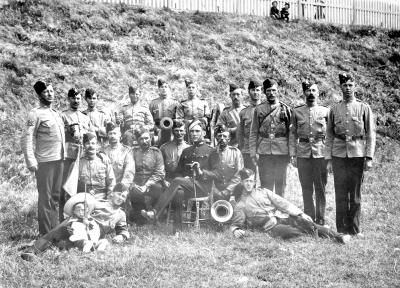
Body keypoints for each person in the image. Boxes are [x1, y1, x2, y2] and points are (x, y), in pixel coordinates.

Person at [230, 168, 351, 244]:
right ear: (242, 182)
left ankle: (339, 237)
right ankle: (312, 236)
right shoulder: (241, 204)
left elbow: (282, 203)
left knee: (309, 223)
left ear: (255, 181)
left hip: (283, 217)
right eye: (246, 181)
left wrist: (300, 213)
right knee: (292, 232)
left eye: (251, 181)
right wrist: (235, 230)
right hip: (271, 227)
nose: (249, 184)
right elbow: (236, 224)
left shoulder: (264, 191)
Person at [20, 184, 130, 261]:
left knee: (64, 244)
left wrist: (121, 237)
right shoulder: (97, 203)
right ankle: (32, 251)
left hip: (92, 233)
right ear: (112, 194)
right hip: (80, 222)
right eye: (119, 194)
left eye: (123, 196)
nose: (120, 198)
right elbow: (81, 209)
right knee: (60, 229)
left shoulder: (120, 214)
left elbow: (123, 231)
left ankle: (40, 248)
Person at [141, 119, 217, 228]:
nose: (194, 134)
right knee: (178, 192)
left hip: (202, 187)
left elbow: (217, 174)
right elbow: (178, 172)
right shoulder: (187, 151)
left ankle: (155, 212)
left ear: (203, 133)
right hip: (188, 186)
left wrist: (201, 171)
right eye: (192, 131)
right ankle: (178, 229)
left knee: (177, 182)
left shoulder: (211, 151)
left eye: (197, 131)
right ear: (189, 133)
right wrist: (183, 178)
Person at [325, 73, 376, 236]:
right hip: (338, 155)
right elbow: (329, 134)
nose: (347, 88)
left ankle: (354, 229)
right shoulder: (334, 108)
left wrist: (369, 157)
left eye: (350, 85)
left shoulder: (363, 107)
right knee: (340, 193)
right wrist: (328, 159)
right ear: (340, 87)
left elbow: (370, 134)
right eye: (344, 85)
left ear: (355, 87)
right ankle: (341, 229)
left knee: (355, 194)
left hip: (357, 155)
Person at [21, 81, 66, 235]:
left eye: (52, 91)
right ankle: (46, 235)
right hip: (45, 162)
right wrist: (30, 160)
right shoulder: (35, 113)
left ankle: (56, 232)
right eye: (46, 91)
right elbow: (26, 138)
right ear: (39, 95)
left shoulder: (55, 113)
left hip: (59, 160)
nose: (50, 94)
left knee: (55, 197)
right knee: (45, 199)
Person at [289, 81, 329, 226]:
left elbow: (330, 135)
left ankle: (321, 219)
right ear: (304, 93)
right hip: (303, 154)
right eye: (308, 90)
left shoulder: (325, 111)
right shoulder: (297, 112)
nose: (311, 93)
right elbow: (293, 134)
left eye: (314, 90)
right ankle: (309, 219)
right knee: (306, 188)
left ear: (318, 93)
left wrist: (329, 156)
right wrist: (293, 154)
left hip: (320, 154)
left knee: (320, 188)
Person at [249, 78, 292, 197]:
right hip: (264, 152)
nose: (271, 93)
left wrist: (291, 153)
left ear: (278, 91)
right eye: (268, 90)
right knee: (265, 186)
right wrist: (253, 153)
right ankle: (267, 212)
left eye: (274, 90)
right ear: (264, 92)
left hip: (281, 152)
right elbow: (253, 132)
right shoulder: (259, 109)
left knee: (280, 184)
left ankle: (280, 211)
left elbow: (291, 133)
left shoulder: (286, 109)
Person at [61, 88, 93, 221]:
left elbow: (91, 135)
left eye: (78, 98)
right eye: (73, 98)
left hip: (83, 156)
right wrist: (69, 130)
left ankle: (81, 216)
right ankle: (65, 216)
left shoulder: (85, 117)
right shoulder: (63, 115)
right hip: (69, 156)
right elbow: (60, 135)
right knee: (68, 186)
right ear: (69, 99)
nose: (76, 101)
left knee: (82, 186)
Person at [127, 127, 165, 225]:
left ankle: (155, 214)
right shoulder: (133, 152)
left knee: (158, 188)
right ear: (137, 140)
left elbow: (159, 172)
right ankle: (141, 217)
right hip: (137, 182)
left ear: (151, 138)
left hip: (152, 182)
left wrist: (147, 185)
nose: (144, 141)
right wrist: (133, 183)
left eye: (146, 138)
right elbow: (128, 170)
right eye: (141, 139)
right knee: (134, 191)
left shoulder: (156, 152)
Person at [207, 124, 244, 201]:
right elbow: (208, 174)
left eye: (224, 136)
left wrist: (228, 190)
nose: (222, 138)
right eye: (219, 136)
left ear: (229, 139)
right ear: (216, 138)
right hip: (217, 190)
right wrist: (215, 190)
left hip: (233, 188)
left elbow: (239, 174)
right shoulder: (212, 153)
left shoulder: (236, 152)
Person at [77, 133, 116, 200]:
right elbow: (72, 185)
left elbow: (111, 183)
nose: (90, 146)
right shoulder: (78, 164)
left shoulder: (104, 162)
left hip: (102, 198)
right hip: (84, 199)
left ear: (97, 145)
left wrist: (109, 200)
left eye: (93, 143)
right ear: (84, 146)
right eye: (87, 143)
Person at [238, 79, 263, 172]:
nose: (255, 92)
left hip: (263, 150)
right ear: (249, 92)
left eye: (258, 90)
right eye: (253, 90)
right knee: (249, 179)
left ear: (262, 92)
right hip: (247, 151)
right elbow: (240, 133)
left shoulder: (266, 110)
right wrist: (242, 148)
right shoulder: (244, 112)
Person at [103, 122, 135, 190]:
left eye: (115, 133)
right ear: (107, 135)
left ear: (120, 134)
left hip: (122, 186)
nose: (112, 136)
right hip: (107, 186)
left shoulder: (127, 151)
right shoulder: (103, 151)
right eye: (110, 133)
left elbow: (129, 171)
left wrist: (122, 186)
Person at [149, 79, 180, 146]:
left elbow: (178, 119)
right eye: (162, 87)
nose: (164, 89)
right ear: (159, 89)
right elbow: (149, 120)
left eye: (166, 87)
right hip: (157, 129)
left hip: (171, 130)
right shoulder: (153, 103)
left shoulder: (174, 103)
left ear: (169, 89)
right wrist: (155, 129)